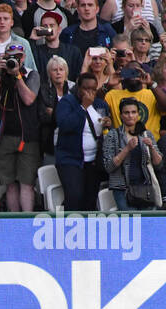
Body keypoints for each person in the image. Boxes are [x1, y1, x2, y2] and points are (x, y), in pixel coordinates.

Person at [0, 39, 41, 211]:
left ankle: (27, 221)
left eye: (17, 57)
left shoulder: (32, 74)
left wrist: (18, 75)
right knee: (10, 184)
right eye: (11, 57)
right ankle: (13, 221)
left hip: (27, 137)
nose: (14, 60)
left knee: (26, 183)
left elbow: (29, 99)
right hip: (4, 136)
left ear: (24, 57)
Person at [55, 70, 110, 209]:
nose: (90, 92)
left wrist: (108, 124)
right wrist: (83, 107)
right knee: (75, 196)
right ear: (78, 88)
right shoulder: (67, 102)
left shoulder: (100, 104)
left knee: (90, 198)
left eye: (93, 89)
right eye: (86, 88)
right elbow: (65, 125)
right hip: (71, 159)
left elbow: (102, 131)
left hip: (93, 161)